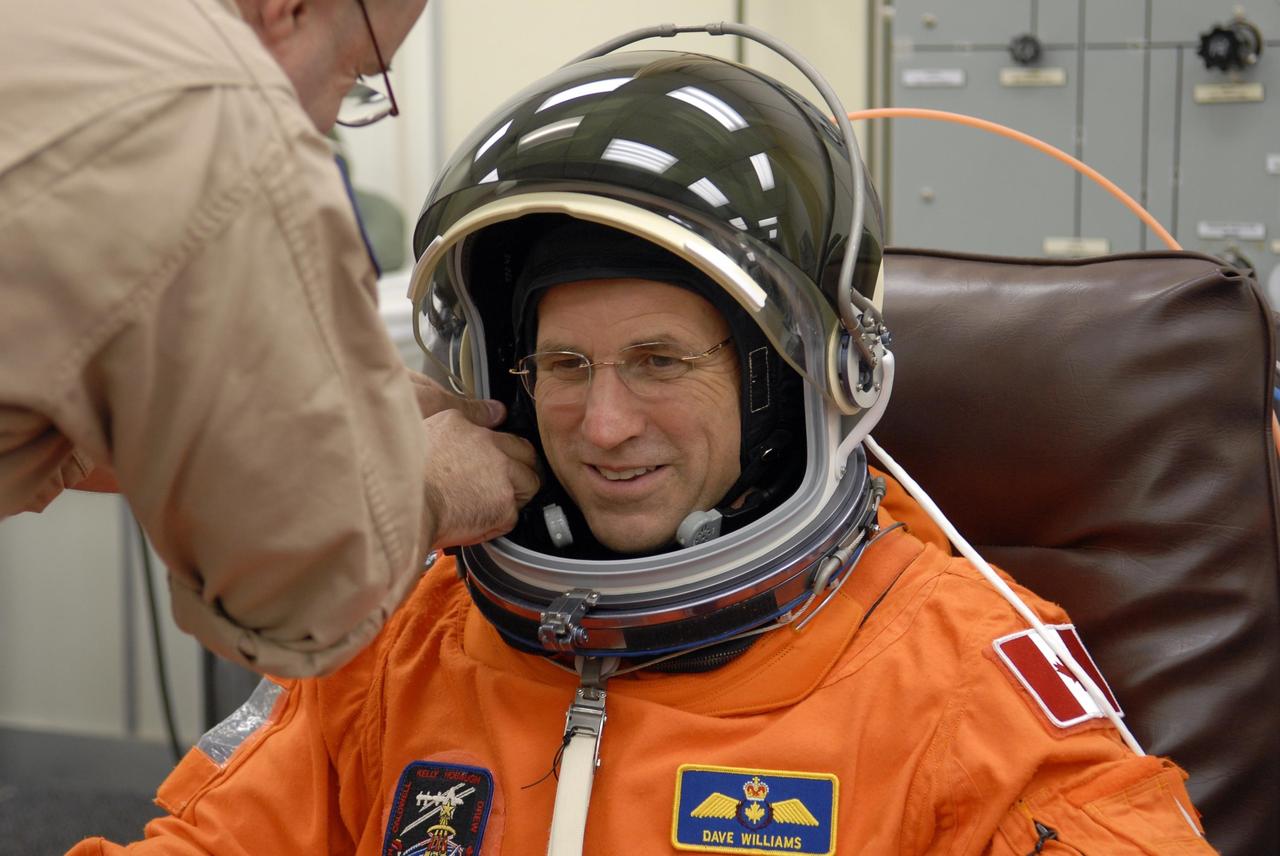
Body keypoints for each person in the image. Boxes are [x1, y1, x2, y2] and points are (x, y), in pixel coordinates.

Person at [71, 45, 1217, 856]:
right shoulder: (403, 639)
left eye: (661, 362)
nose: (603, 425)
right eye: (564, 368)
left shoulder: (954, 667)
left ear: (788, 384)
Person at [0, 0, 539, 678]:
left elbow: (44, 360)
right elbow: (295, 595)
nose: (318, 130)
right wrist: (425, 491)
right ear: (289, 9)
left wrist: (298, 415)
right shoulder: (214, 108)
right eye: (355, 78)